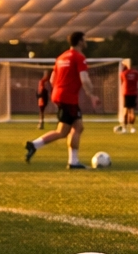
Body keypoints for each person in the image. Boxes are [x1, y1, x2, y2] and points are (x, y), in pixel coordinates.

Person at [26, 32, 92, 168]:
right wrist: (92, 95)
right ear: (80, 41)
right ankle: (72, 162)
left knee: (69, 129)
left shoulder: (61, 57)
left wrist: (60, 90)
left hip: (59, 95)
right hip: (68, 98)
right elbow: (84, 79)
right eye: (84, 39)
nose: (86, 41)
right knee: (71, 129)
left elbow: (52, 80)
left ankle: (35, 145)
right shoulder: (79, 57)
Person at [117, 61, 138, 134]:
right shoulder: (136, 73)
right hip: (134, 92)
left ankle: (124, 127)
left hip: (126, 92)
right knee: (132, 111)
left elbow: (122, 81)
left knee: (126, 110)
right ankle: (132, 127)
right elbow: (137, 81)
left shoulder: (123, 73)